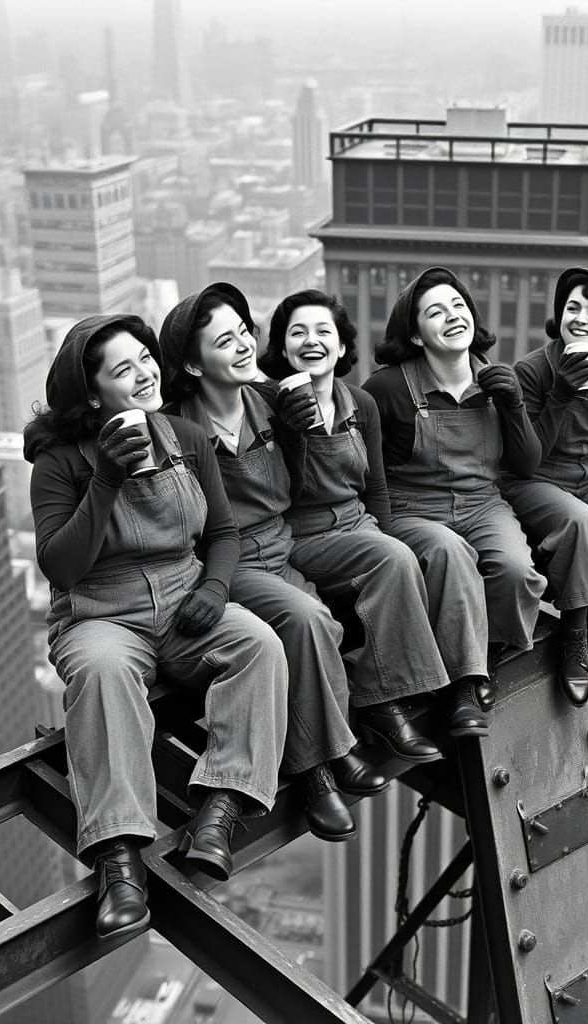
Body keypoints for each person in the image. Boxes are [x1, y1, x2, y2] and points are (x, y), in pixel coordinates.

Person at [24, 314, 289, 940]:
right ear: (93, 395)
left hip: (183, 596)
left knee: (260, 644)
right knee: (102, 672)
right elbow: (61, 565)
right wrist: (106, 479)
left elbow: (222, 533)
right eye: (124, 369)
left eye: (146, 357)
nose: (145, 373)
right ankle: (119, 860)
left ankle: (220, 807)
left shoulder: (186, 437)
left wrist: (214, 588)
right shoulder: (59, 462)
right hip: (101, 610)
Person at [159, 284, 396, 844]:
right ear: (192, 364)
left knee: (322, 621)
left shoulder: (269, 400)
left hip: (283, 546)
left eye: (245, 331)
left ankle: (339, 743)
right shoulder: (176, 427)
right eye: (225, 340)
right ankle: (317, 772)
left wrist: (300, 435)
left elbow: (309, 488)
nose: (245, 344)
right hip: (227, 561)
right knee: (305, 618)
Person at [257, 287, 486, 742]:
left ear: (342, 346)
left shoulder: (360, 403)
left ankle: (466, 680)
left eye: (324, 332)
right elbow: (280, 493)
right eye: (298, 333)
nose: (311, 340)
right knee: (392, 559)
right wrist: (292, 431)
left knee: (445, 547)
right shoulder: (266, 408)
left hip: (360, 522)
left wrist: (385, 532)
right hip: (304, 534)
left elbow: (375, 487)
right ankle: (382, 698)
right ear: (282, 350)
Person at [364, 267, 547, 712]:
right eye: (435, 312)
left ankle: (487, 651)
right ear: (416, 335)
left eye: (458, 306)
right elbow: (368, 471)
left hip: (483, 504)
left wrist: (514, 405)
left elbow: (527, 465)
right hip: (413, 508)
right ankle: (465, 681)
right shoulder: (387, 388)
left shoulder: (497, 380)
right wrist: (383, 534)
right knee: (450, 552)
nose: (451, 316)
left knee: (516, 570)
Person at [503, 268, 588, 706]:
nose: (580, 318)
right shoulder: (532, 371)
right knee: (580, 524)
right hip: (537, 480)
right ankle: (577, 640)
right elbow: (526, 458)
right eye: (573, 307)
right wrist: (560, 395)